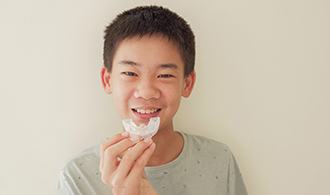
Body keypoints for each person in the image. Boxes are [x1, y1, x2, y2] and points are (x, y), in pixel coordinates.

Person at [57, 5, 248, 195]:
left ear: (187, 84)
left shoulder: (219, 162)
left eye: (165, 75)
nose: (147, 92)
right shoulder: (77, 176)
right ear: (107, 81)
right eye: (130, 73)